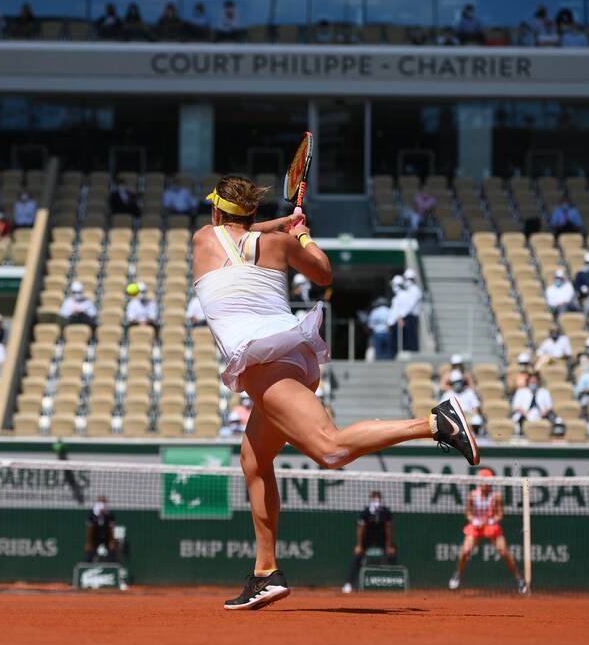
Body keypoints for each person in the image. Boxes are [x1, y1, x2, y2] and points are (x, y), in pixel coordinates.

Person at [192, 175, 478, 610]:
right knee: (254, 459)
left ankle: (434, 422)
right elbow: (323, 272)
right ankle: (265, 572)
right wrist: (300, 233)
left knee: (329, 450)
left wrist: (285, 226)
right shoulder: (280, 246)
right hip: (293, 354)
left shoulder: (202, 239)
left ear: (216, 211)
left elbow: (241, 236)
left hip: (266, 365)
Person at [448, 469, 527, 594]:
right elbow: (468, 513)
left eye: (487, 481)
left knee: (504, 551)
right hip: (476, 526)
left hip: (491, 525)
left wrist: (488, 521)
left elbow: (500, 515)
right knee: (465, 551)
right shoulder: (472, 495)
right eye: (482, 481)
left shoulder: (496, 497)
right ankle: (457, 574)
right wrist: (475, 521)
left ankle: (519, 579)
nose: (485, 484)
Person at [342, 490, 396, 594]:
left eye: (378, 498)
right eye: (374, 498)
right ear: (370, 499)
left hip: (382, 538)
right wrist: (359, 545)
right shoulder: (365, 512)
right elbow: (361, 529)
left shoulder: (386, 512)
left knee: (393, 553)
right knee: (357, 558)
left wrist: (389, 546)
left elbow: (388, 529)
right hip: (368, 538)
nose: (377, 500)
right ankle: (349, 584)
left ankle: (393, 583)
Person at [393, 269, 422, 352]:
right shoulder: (408, 291)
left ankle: (414, 352)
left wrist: (401, 315)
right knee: (407, 337)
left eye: (409, 279)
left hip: (411, 316)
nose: (408, 281)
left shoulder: (415, 290)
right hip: (407, 316)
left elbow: (410, 306)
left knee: (411, 337)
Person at [84, 496, 117, 562]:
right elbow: (89, 531)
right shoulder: (92, 514)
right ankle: (88, 562)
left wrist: (112, 541)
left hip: (106, 536)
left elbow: (111, 530)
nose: (101, 503)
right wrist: (89, 542)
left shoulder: (110, 515)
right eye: (100, 501)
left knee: (112, 545)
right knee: (88, 546)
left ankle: (111, 563)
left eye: (103, 501)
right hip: (95, 537)